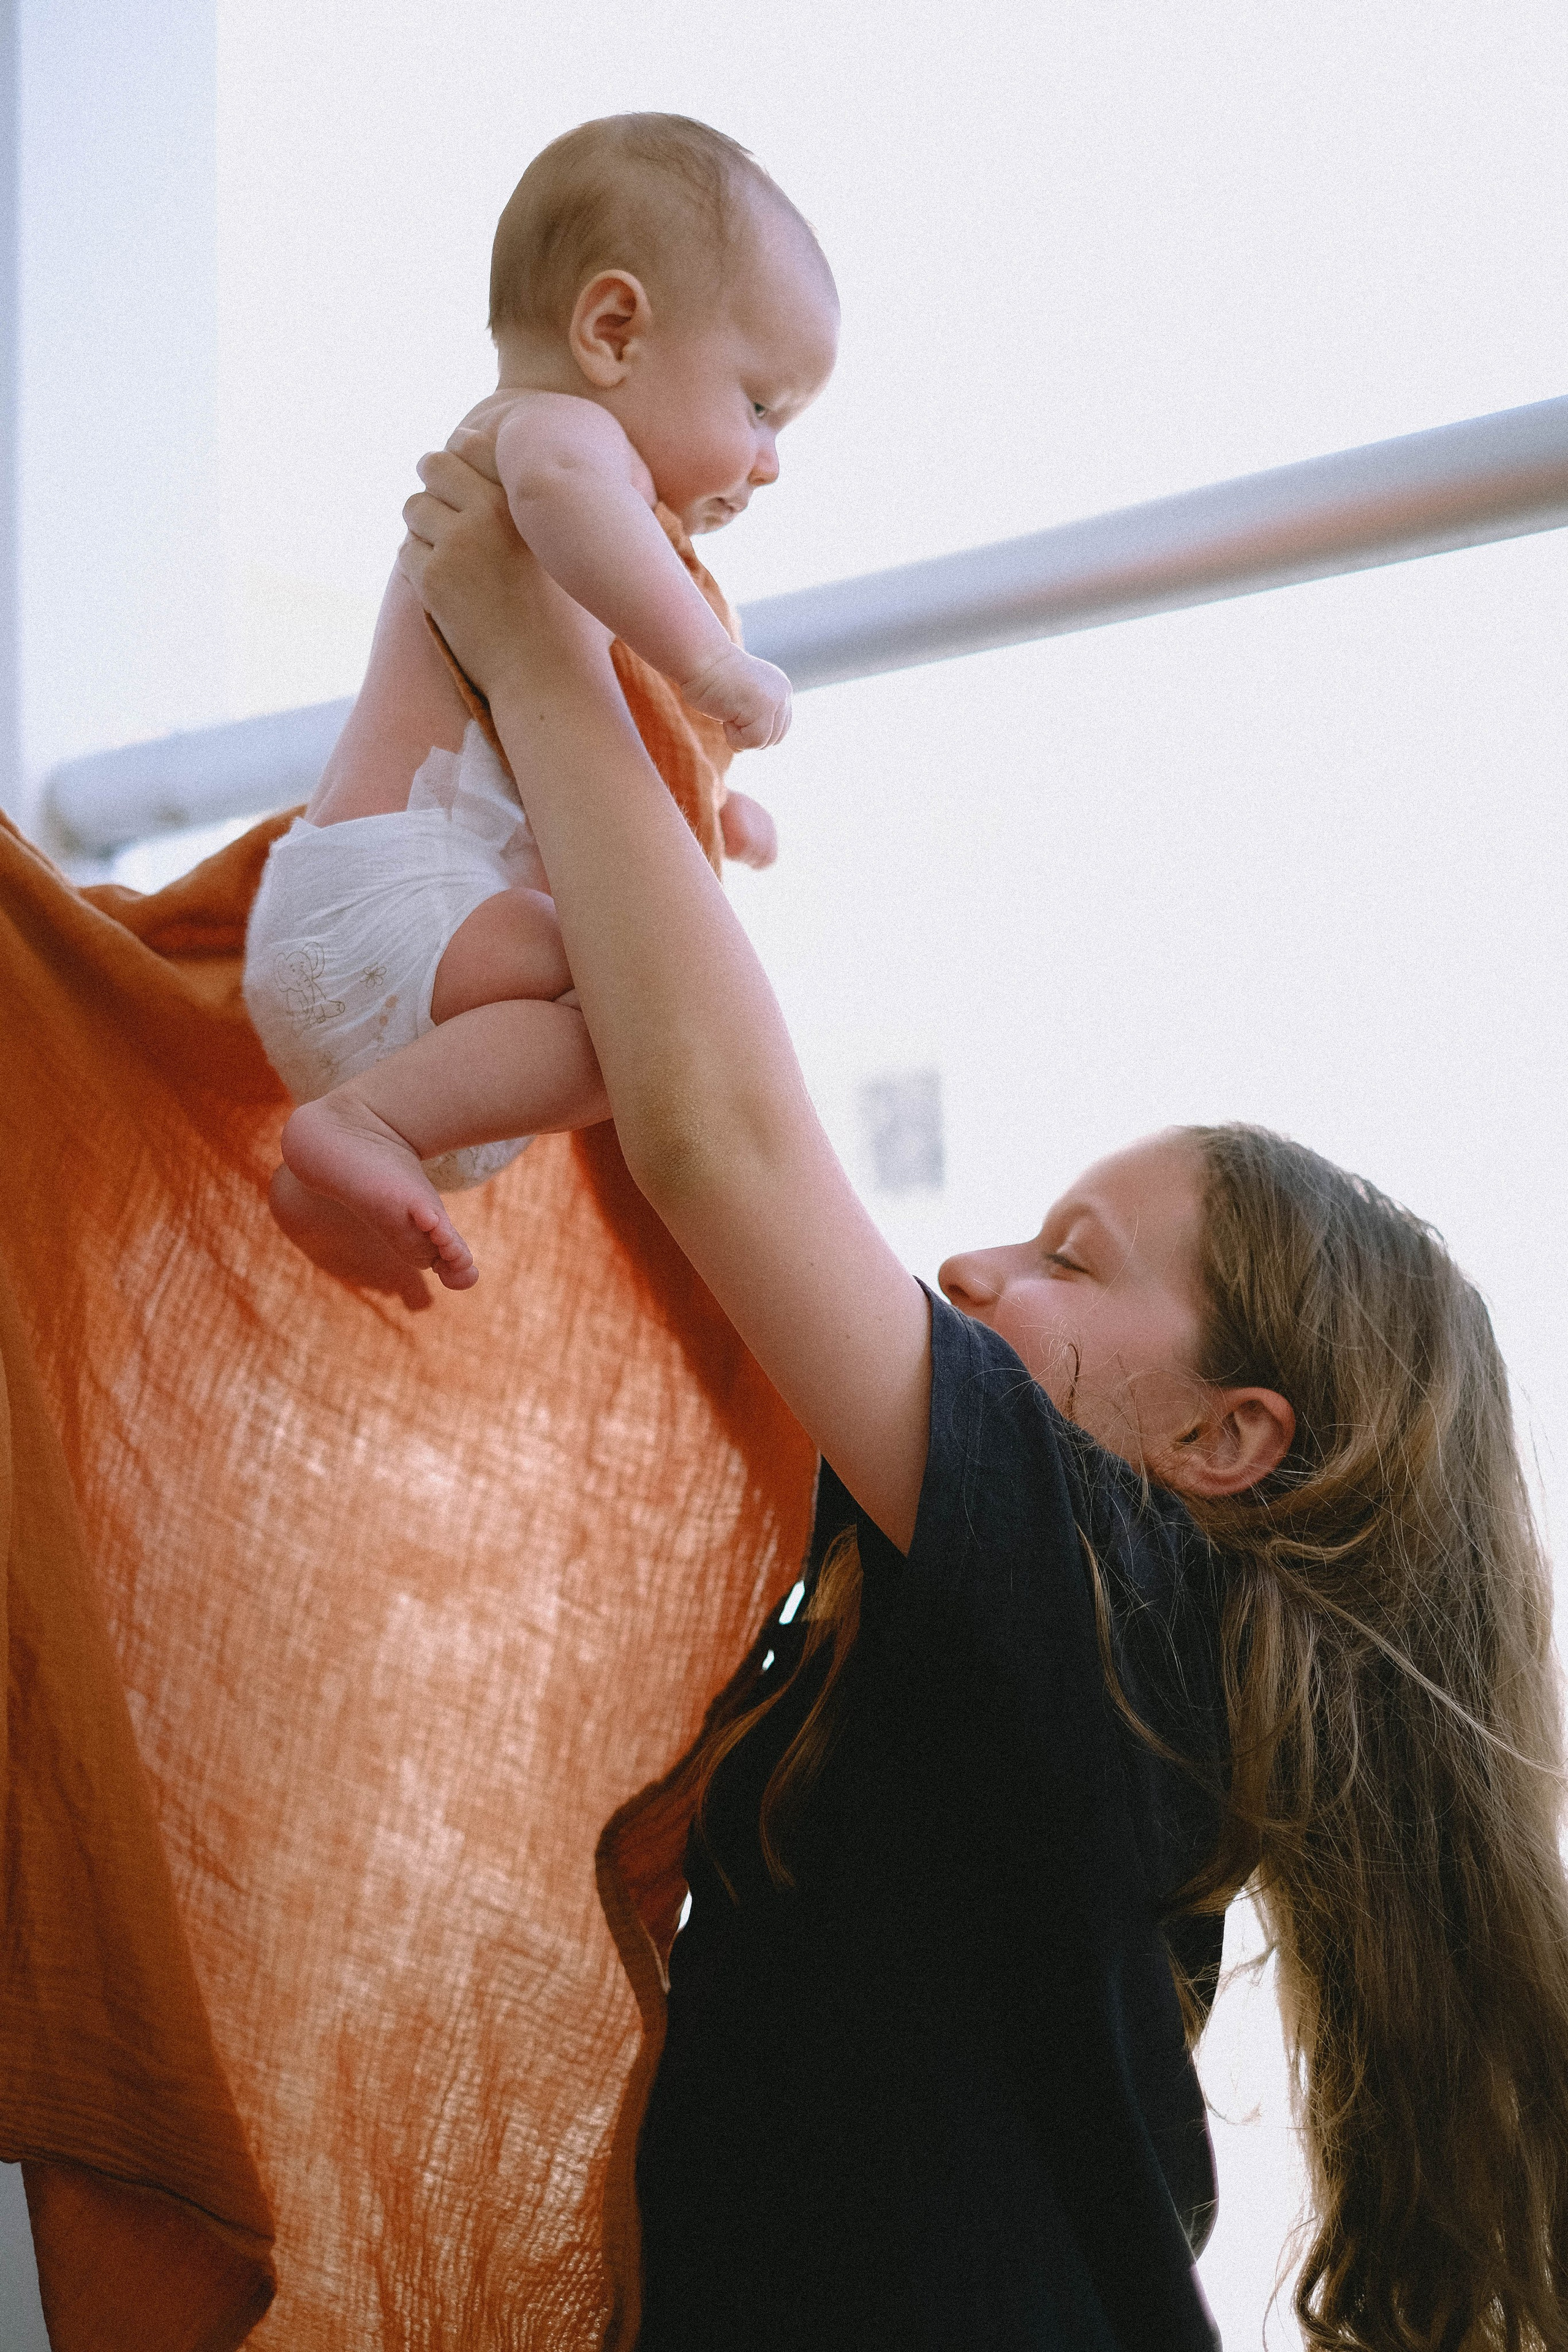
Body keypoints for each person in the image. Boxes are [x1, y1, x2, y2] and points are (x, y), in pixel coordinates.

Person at [394, 453, 1568, 2352]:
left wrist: (534, 654)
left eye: (1074, 1260)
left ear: (1226, 1441)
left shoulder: (1117, 1605)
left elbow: (719, 1137)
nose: (973, 1275)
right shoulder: (1066, 1660)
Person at [243, 115, 838, 1297]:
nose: (769, 463)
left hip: (402, 945)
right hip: (396, 901)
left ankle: (346, 1155)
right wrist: (716, 664)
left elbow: (580, 761)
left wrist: (710, 814)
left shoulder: (603, 538)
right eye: (761, 408)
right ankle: (362, 1126)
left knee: (643, 1015)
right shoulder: (554, 440)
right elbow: (573, 503)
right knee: (650, 1010)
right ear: (612, 331)